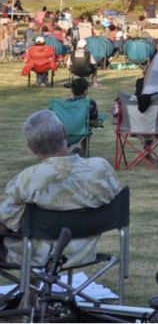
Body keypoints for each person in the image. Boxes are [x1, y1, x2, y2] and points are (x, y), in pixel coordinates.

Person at [0, 110, 120, 267]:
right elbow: (116, 203)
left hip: (36, 256)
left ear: (31, 147)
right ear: (64, 131)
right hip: (84, 251)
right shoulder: (101, 167)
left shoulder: (28, 179)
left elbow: (4, 222)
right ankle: (33, 289)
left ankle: (31, 287)